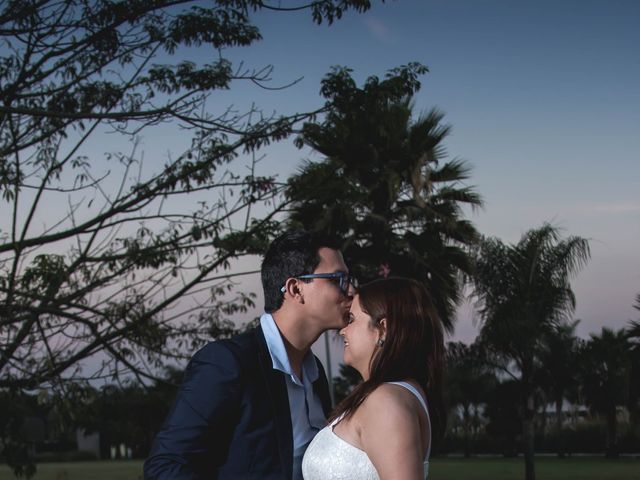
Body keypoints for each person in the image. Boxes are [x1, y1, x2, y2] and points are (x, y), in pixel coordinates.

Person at [144, 230, 355, 480]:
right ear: (295, 288)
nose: (351, 290)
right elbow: (165, 467)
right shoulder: (228, 363)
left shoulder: (315, 372)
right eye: (338, 279)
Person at [302, 277, 445, 480]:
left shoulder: (386, 400)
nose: (343, 330)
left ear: (382, 329)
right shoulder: (392, 395)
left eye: (351, 319)